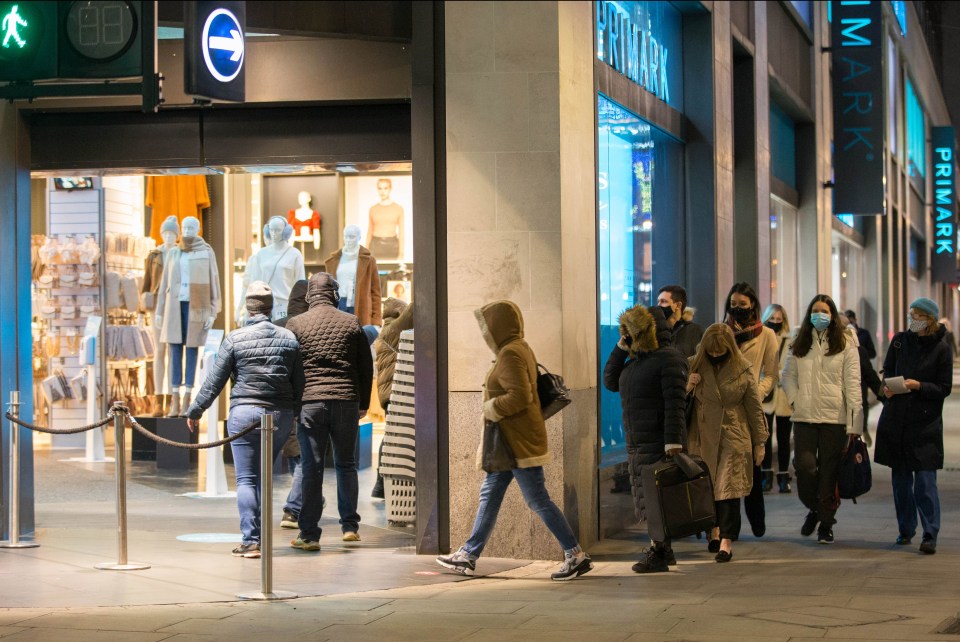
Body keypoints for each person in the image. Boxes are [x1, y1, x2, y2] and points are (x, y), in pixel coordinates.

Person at [436, 301, 593, 580]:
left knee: (538, 500)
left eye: (486, 327)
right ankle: (469, 555)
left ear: (497, 327)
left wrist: (491, 407)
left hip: (516, 442)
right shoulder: (518, 348)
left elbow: (520, 397)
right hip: (510, 443)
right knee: (491, 494)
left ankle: (575, 554)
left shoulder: (510, 353)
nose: (484, 333)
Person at [184, 282, 303, 559]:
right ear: (272, 307)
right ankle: (259, 538)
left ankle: (252, 540)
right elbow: (299, 383)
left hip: (244, 413)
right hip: (279, 415)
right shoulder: (288, 338)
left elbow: (215, 380)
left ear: (247, 307)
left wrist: (195, 410)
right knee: (263, 476)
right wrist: (295, 414)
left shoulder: (235, 338)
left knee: (247, 479)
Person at [285, 273, 373, 550]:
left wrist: (294, 406)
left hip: (311, 404)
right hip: (345, 401)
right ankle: (349, 527)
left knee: (311, 468)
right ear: (334, 294)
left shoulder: (296, 324)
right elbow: (364, 367)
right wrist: (363, 404)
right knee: (346, 465)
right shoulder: (351, 322)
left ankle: (309, 534)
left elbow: (290, 368)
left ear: (310, 295)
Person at [602, 305, 688, 573]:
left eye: (633, 331)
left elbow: (675, 403)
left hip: (658, 439)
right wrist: (621, 347)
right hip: (637, 440)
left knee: (656, 498)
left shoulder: (669, 358)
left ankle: (659, 551)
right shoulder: (636, 361)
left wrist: (673, 442)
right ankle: (663, 549)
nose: (630, 335)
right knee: (647, 496)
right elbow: (610, 381)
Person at [781, 294, 862, 544]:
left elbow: (853, 384)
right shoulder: (799, 342)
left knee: (829, 472)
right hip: (804, 417)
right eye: (815, 310)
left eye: (825, 311)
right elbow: (787, 376)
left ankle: (826, 524)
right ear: (809, 314)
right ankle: (816, 508)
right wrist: (796, 399)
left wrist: (854, 424)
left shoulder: (846, 344)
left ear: (832, 314)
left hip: (834, 419)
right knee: (804, 468)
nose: (820, 315)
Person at [875, 298, 953, 555]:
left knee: (925, 482)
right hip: (897, 420)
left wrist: (918, 385)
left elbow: (943, 388)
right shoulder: (899, 341)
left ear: (930, 319)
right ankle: (906, 529)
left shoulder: (942, 349)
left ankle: (930, 533)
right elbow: (887, 370)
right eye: (910, 315)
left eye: (917, 315)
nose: (912, 320)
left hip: (925, 424)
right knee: (900, 482)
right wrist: (888, 385)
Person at [685, 324, 768, 562]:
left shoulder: (742, 369)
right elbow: (675, 402)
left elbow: (754, 407)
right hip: (702, 436)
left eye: (720, 351)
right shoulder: (693, 364)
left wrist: (759, 442)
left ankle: (726, 541)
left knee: (729, 490)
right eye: (711, 351)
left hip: (734, 434)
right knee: (708, 488)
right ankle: (713, 530)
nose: (715, 355)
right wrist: (688, 385)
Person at [724, 282, 778, 536]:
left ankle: (757, 521)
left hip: (752, 409)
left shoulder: (766, 335)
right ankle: (729, 529)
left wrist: (757, 392)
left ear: (753, 305)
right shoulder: (721, 332)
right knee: (727, 471)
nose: (738, 310)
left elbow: (771, 373)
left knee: (753, 468)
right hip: (726, 409)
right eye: (733, 305)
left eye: (742, 305)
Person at [272, 279, 316, 529]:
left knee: (294, 452)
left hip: (278, 401)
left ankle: (308, 498)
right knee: (301, 455)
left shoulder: (276, 327)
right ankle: (294, 508)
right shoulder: (310, 326)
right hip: (305, 400)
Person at [371, 297, 414, 499]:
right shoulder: (393, 330)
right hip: (394, 391)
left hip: (389, 392)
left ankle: (381, 485)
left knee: (391, 437)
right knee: (390, 438)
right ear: (398, 313)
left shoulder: (386, 332)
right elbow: (415, 310)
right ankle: (381, 484)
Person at [760, 304, 794, 493]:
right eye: (772, 319)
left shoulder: (791, 341)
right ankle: (766, 476)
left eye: (779, 319)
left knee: (783, 438)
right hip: (766, 394)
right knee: (765, 438)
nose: (775, 322)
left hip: (783, 396)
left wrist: (776, 375)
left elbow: (791, 369)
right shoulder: (761, 339)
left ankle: (783, 476)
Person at [844, 309, 878, 444]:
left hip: (859, 381)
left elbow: (871, 377)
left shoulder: (861, 345)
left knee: (863, 404)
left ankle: (863, 429)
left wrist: (886, 396)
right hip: (831, 409)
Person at [657, 285, 704, 358]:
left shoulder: (696, 331)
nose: (658, 305)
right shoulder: (655, 331)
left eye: (663, 301)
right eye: (658, 301)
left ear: (678, 305)